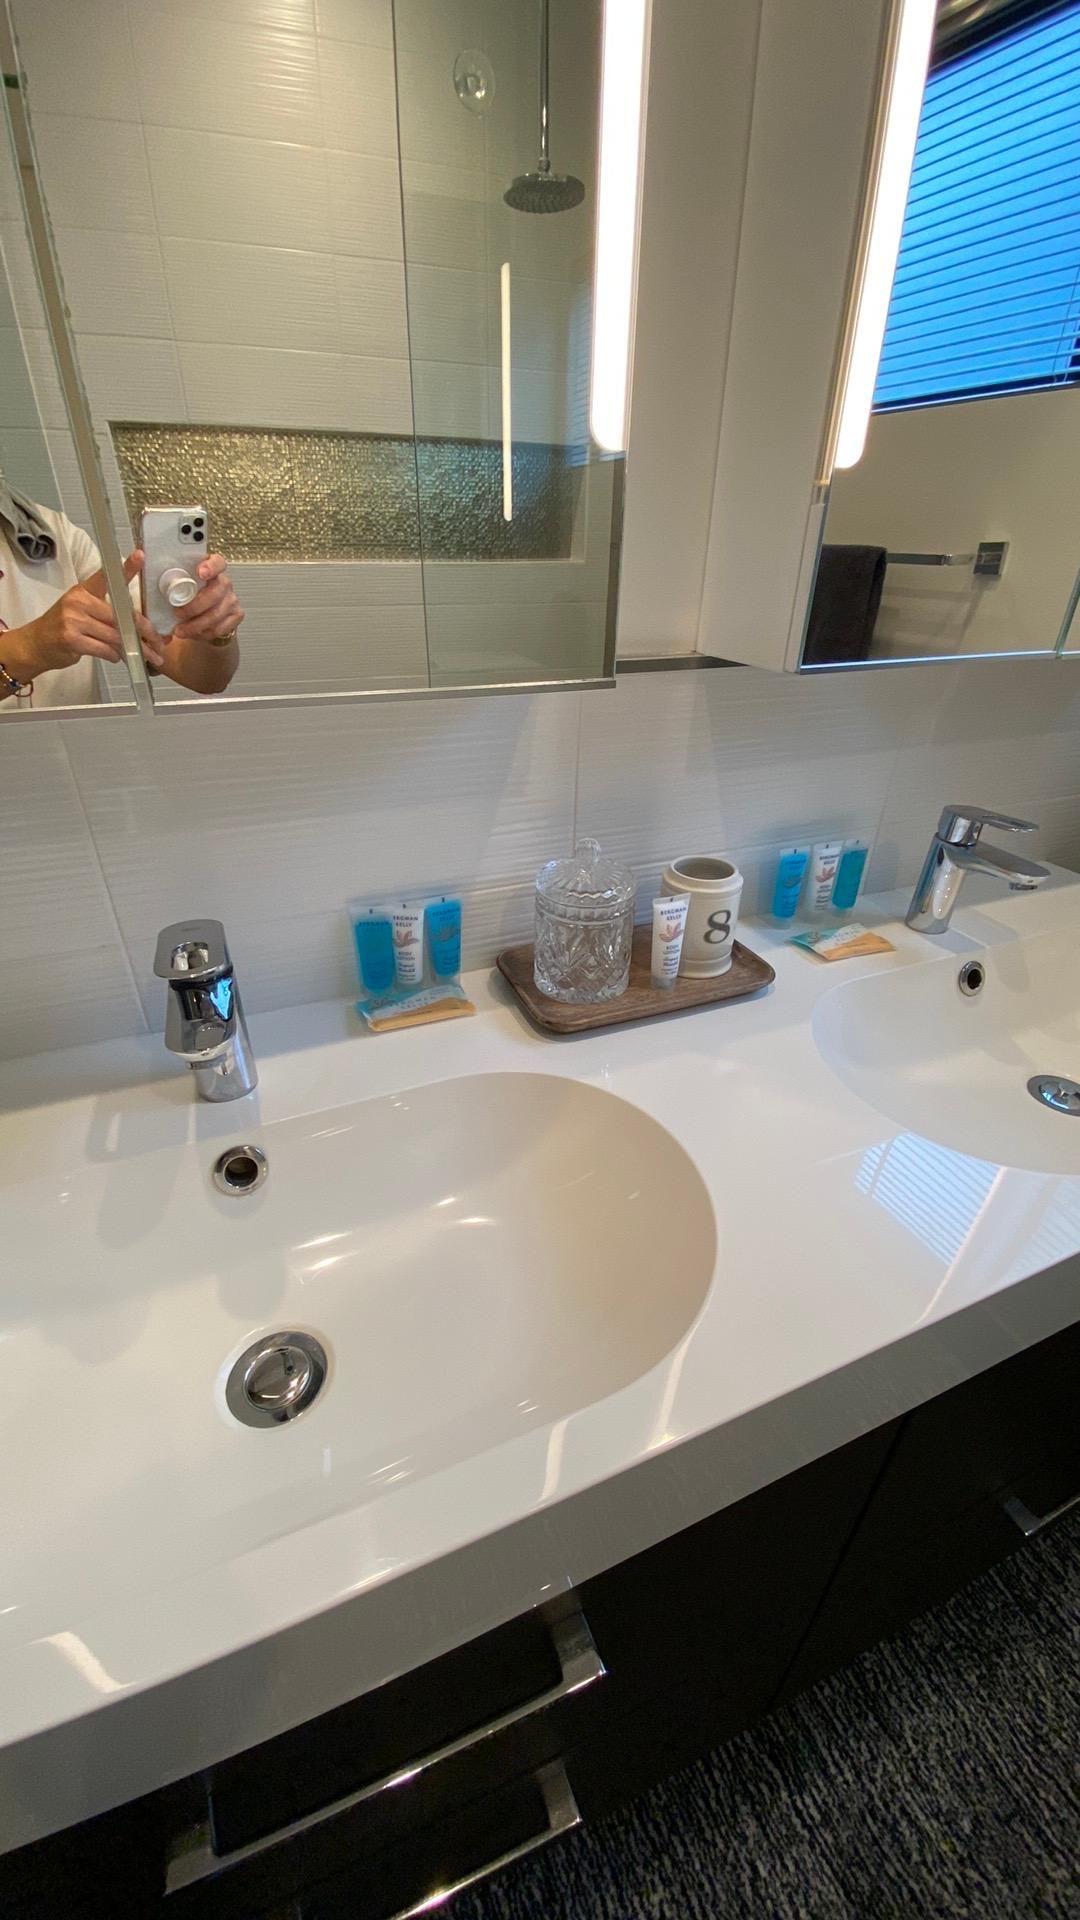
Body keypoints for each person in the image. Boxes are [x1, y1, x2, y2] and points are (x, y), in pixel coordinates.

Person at [0, 488, 245, 709]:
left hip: (76, 742)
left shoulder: (54, 533)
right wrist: (31, 647)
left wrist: (215, 629)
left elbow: (202, 675)